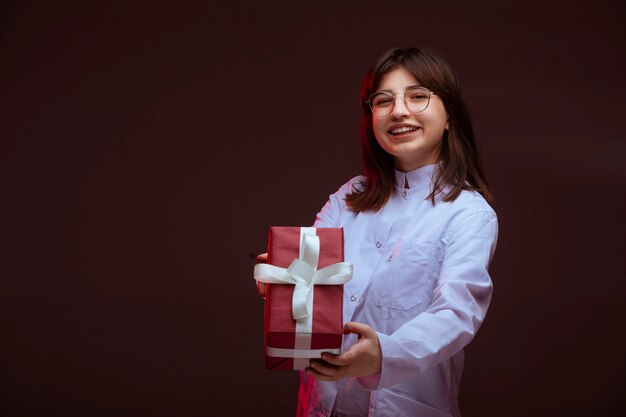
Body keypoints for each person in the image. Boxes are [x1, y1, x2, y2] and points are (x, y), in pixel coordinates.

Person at [256, 47, 498, 417]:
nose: (399, 111)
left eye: (417, 96)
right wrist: (283, 283)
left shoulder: (469, 213)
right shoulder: (348, 197)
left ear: (450, 115)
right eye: (383, 100)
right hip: (321, 404)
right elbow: (311, 282)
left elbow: (457, 312)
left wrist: (383, 355)